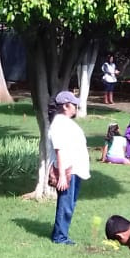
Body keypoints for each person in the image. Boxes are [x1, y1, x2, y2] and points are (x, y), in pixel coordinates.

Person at [49, 91, 90, 245]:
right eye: (74, 105)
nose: (76, 107)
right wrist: (61, 175)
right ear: (65, 106)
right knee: (66, 204)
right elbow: (59, 150)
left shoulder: (66, 122)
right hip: (67, 170)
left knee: (70, 203)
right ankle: (60, 237)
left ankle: (61, 233)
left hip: (75, 169)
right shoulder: (59, 123)